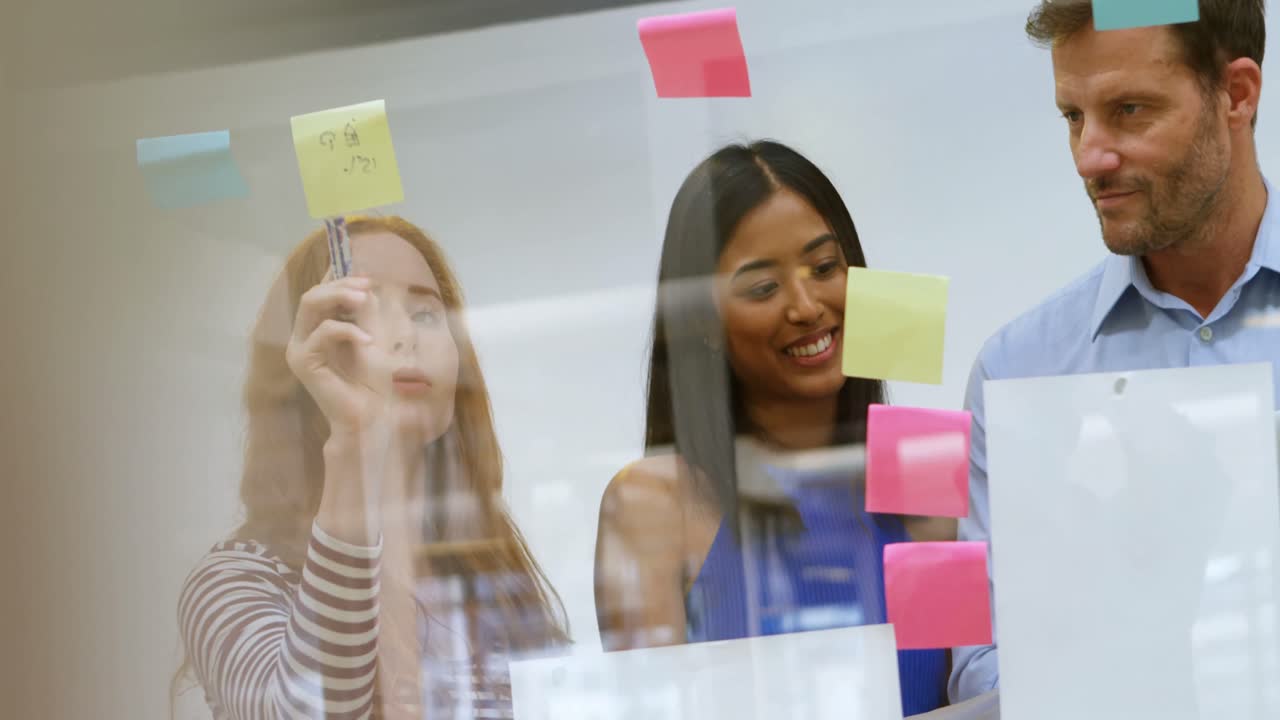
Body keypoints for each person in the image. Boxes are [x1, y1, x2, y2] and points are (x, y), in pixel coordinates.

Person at [951, 0, 1273, 703]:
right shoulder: (1019, 373)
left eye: (1129, 110)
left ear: (1237, 94)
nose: (1088, 158)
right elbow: (986, 670)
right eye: (1073, 116)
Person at [593, 140, 952, 716]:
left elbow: (975, 688)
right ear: (702, 321)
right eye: (763, 288)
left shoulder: (926, 470)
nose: (805, 306)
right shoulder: (652, 503)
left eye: (825, 268)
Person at [175, 216, 568, 719]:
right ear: (302, 354)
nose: (404, 336)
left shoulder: (488, 573)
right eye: (363, 312)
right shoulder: (236, 581)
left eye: (425, 314)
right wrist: (357, 440)